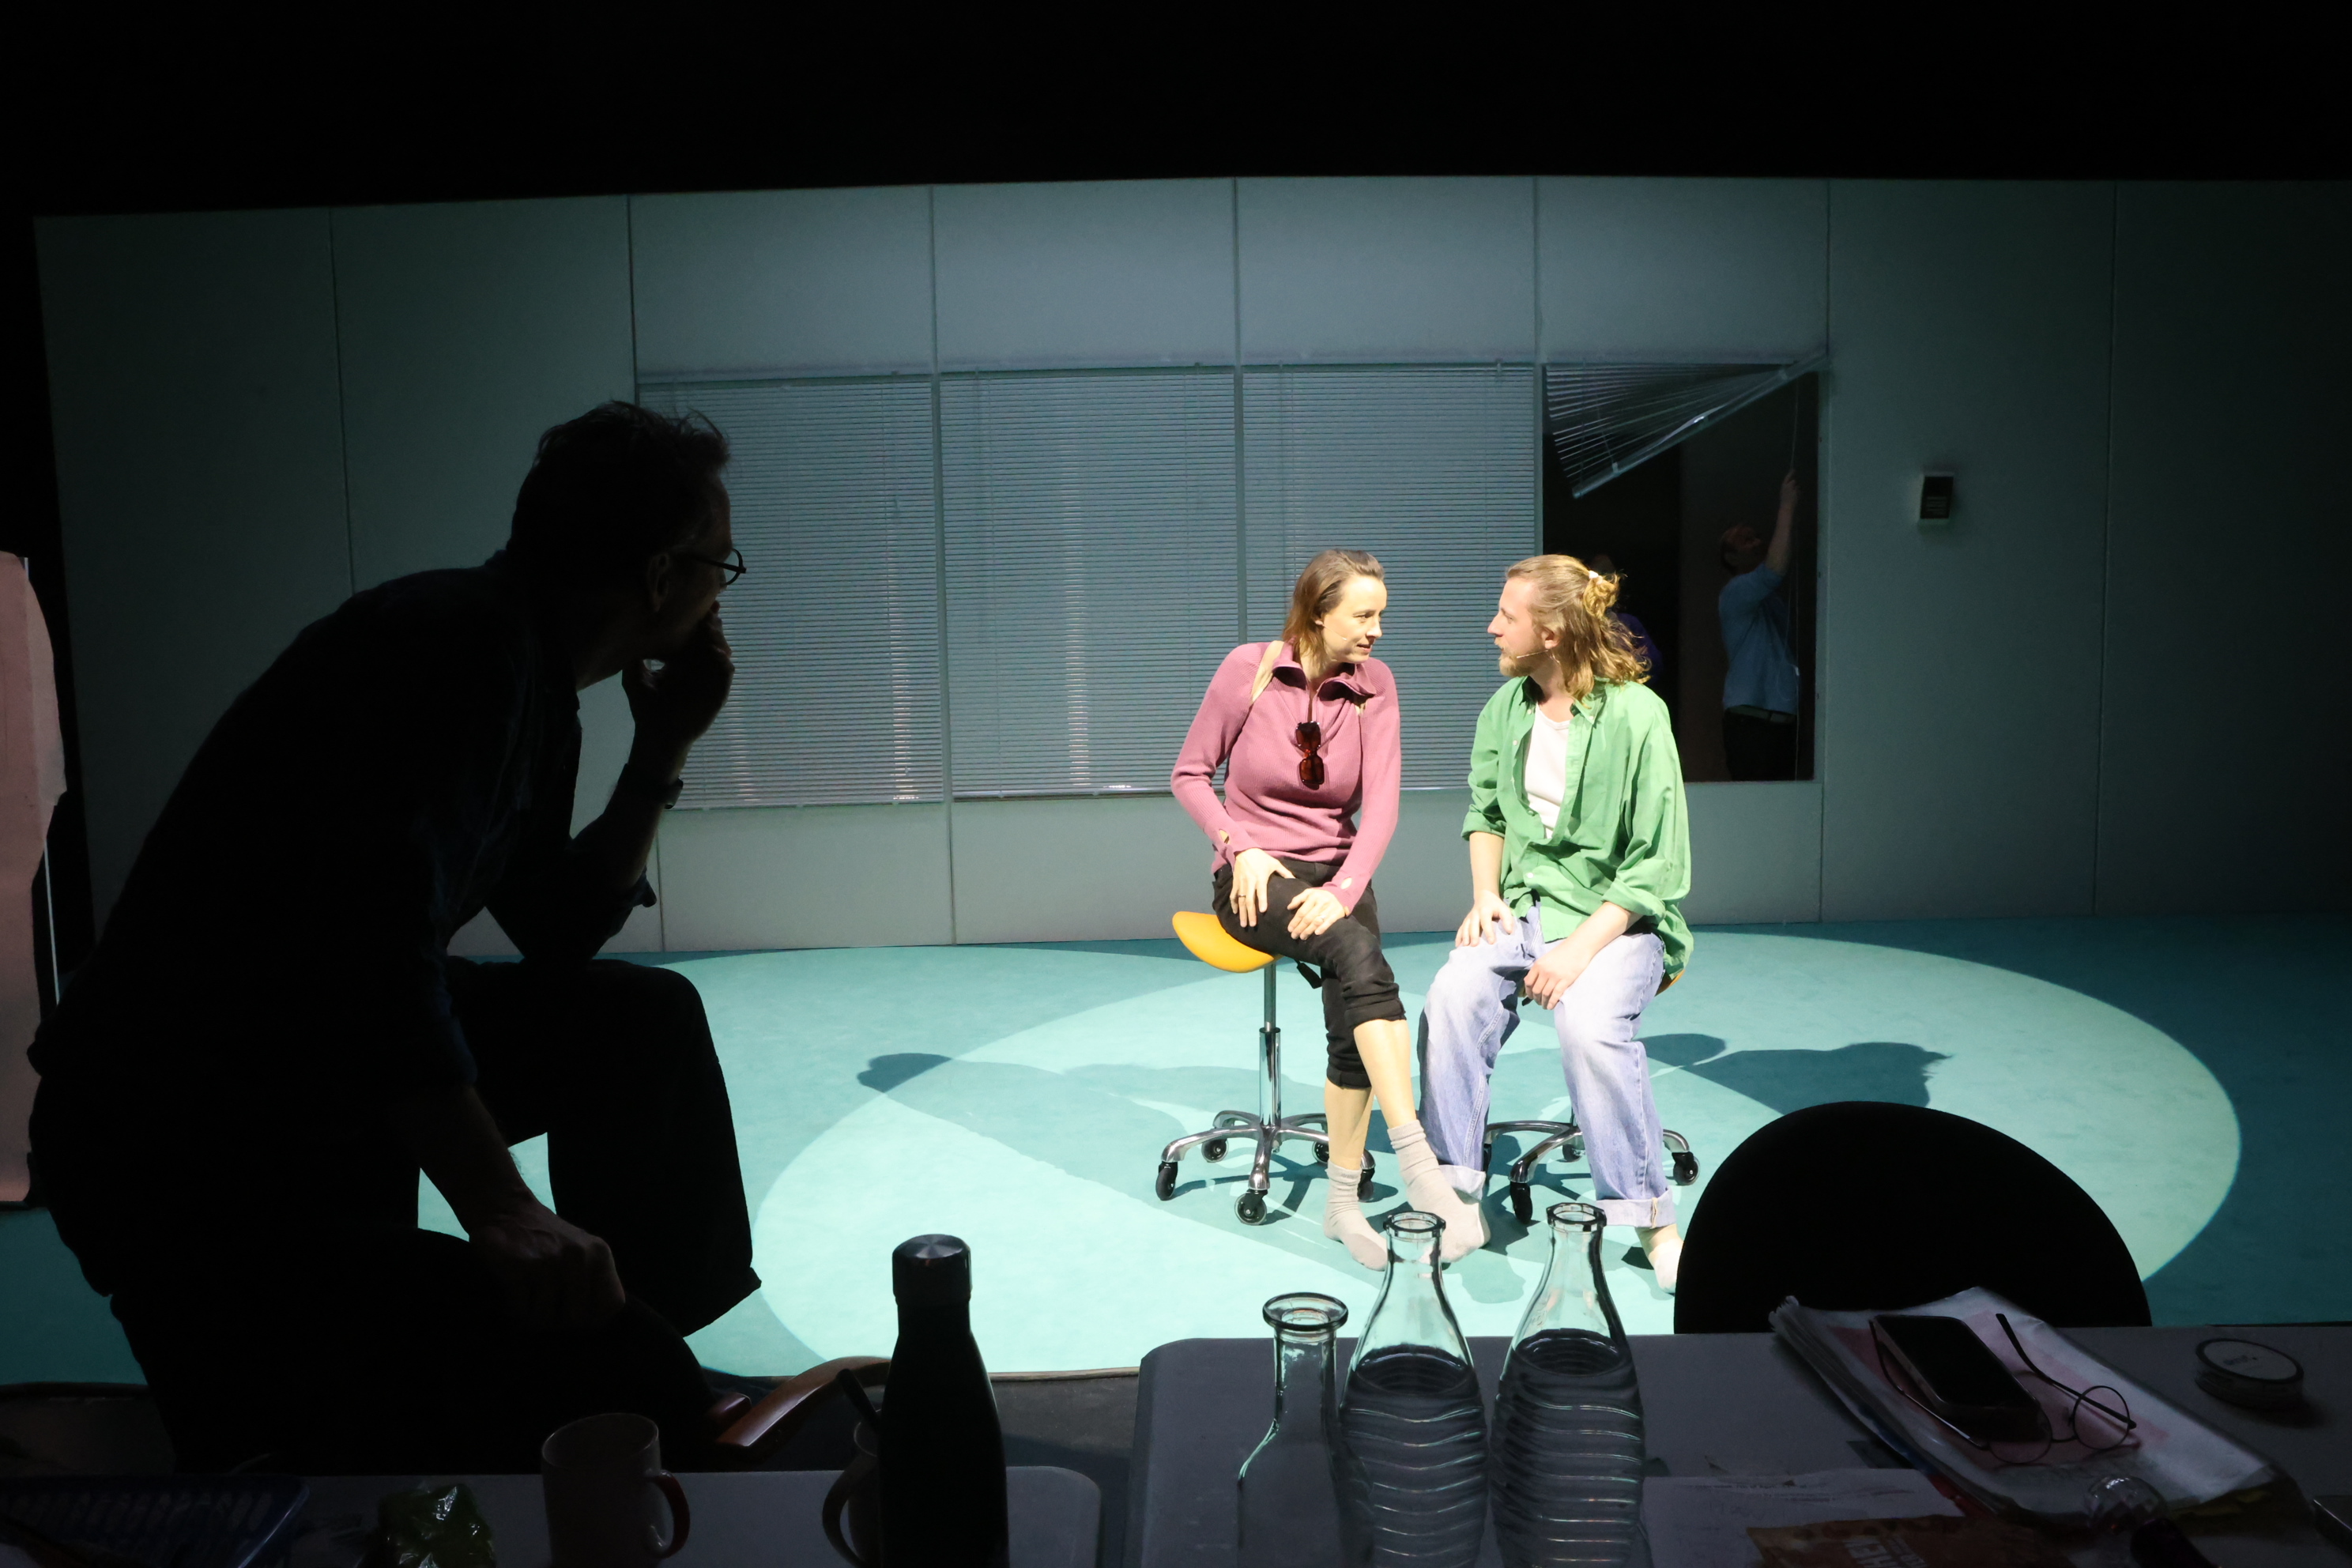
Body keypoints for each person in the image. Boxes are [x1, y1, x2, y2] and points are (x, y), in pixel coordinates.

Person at [28, 402, 758, 1472]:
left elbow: (557, 928)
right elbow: (367, 949)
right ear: (658, 577)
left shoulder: (530, 675)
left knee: (638, 1024)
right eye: (719, 564)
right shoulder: (453, 650)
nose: (722, 590)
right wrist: (501, 1209)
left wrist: (662, 747)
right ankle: (618, 1375)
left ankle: (635, 1346)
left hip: (302, 1064)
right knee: (358, 1458)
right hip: (182, 1131)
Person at [1171, 549, 1483, 1268]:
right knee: (1356, 951)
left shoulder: (1376, 686)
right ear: (1318, 613)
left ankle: (1341, 1207)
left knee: (1354, 1024)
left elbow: (1383, 809)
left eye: (1382, 616)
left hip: (1337, 877)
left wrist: (1342, 889)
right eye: (1363, 615)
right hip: (1256, 879)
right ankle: (1420, 1167)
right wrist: (1240, 846)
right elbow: (1189, 774)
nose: (1378, 630)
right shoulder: (1248, 669)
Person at [1416, 556, 1693, 1281]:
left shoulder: (1638, 715)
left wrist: (1575, 954)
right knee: (1450, 998)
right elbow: (1486, 812)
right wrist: (1485, 894)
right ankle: (1456, 1196)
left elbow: (1658, 864)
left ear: (1553, 632)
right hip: (1523, 907)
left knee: (1589, 1028)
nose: (1492, 628)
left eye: (1506, 617)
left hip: (1615, 921)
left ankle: (1652, 1222)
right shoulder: (1504, 710)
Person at [1717, 472, 1803, 780]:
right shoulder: (1735, 591)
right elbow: (1775, 568)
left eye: (1756, 537)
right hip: (1752, 720)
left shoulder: (1771, 601)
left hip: (1775, 720)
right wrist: (1787, 505)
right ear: (1731, 557)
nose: (1758, 543)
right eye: (1747, 540)